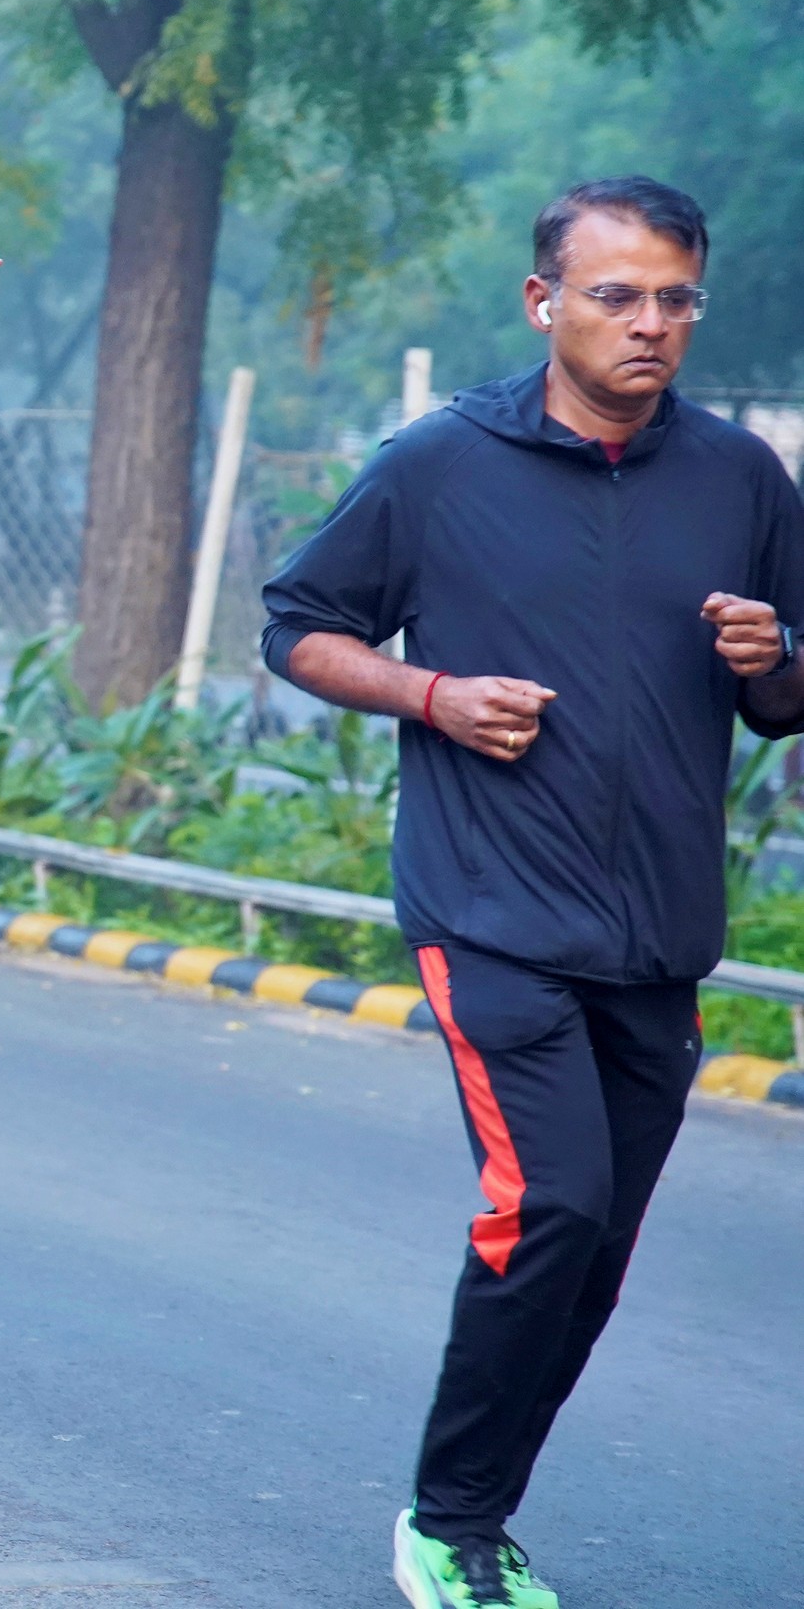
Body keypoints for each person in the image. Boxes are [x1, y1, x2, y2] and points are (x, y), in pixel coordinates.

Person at [263, 177, 804, 1609]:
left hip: (661, 933)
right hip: (491, 909)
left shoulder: (740, 477)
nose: (650, 323)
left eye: (676, 298)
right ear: (543, 301)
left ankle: (478, 1514)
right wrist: (431, 693)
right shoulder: (440, 463)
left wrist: (772, 657)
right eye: (616, 295)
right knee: (548, 1207)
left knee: (595, 1253)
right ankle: (446, 1523)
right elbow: (299, 626)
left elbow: (788, 695)